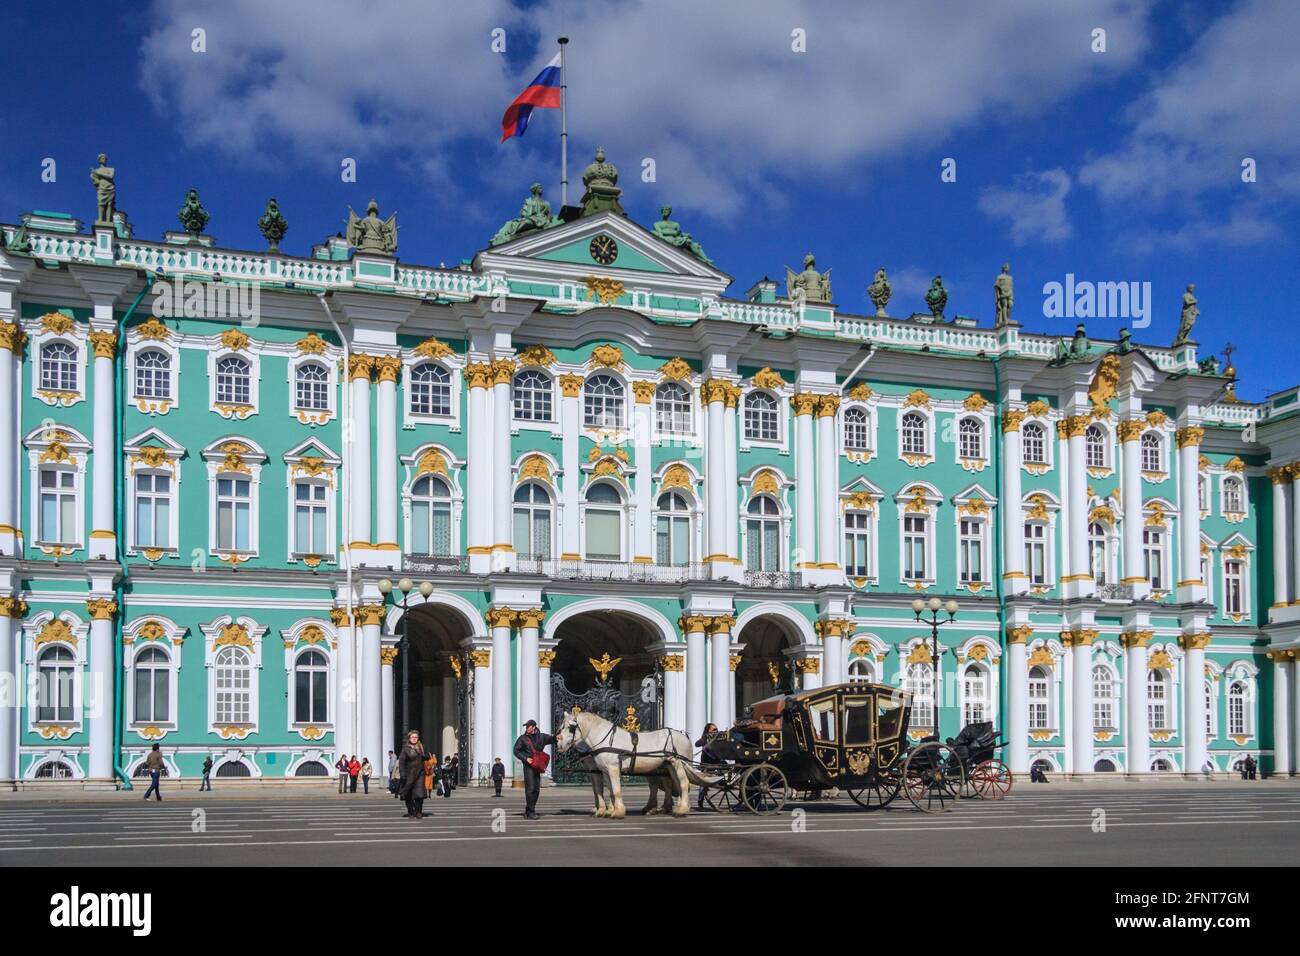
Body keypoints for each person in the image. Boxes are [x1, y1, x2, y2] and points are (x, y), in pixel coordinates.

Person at [512, 719, 554, 820]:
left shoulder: (542, 737)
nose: (526, 729)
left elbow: (552, 739)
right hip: (528, 766)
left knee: (536, 789)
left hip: (538, 765)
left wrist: (557, 737)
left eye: (528, 726)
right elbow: (516, 750)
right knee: (530, 789)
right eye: (526, 727)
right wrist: (526, 758)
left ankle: (529, 809)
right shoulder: (523, 738)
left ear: (533, 727)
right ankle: (531, 812)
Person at [397, 730, 429, 819]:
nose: (414, 739)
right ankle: (411, 811)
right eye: (412, 737)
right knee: (408, 794)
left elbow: (428, 756)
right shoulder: (406, 748)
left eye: (416, 737)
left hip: (420, 773)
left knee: (419, 794)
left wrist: (423, 754)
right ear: (409, 738)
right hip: (409, 774)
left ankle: (418, 812)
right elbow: (401, 762)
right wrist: (402, 773)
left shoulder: (421, 747)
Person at [694, 723, 720, 810]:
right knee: (703, 784)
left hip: (718, 762)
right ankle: (700, 801)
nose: (716, 731)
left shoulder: (719, 737)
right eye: (714, 729)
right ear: (708, 731)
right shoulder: (705, 739)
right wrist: (705, 741)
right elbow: (697, 744)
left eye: (716, 729)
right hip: (706, 764)